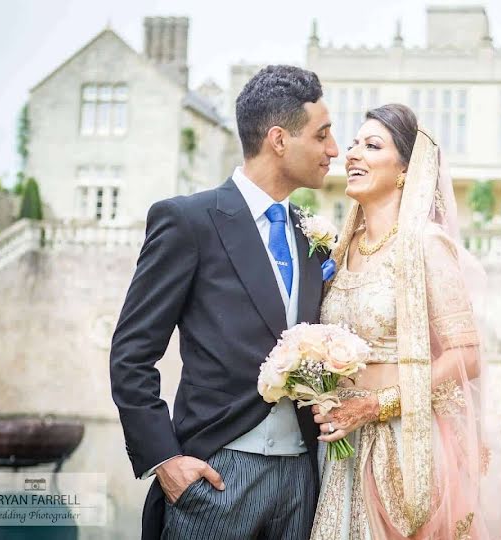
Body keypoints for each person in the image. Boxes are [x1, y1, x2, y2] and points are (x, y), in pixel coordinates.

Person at [109, 65, 338, 540]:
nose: (333, 149)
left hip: (301, 479)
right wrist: (165, 460)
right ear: (279, 139)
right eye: (322, 135)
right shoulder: (188, 221)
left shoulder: (310, 234)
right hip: (216, 477)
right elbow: (131, 354)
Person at [310, 104, 501, 539]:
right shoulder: (340, 252)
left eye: (372, 145)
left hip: (403, 444)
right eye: (355, 143)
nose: (353, 154)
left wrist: (379, 405)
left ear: (406, 169)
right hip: (341, 450)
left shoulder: (425, 245)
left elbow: (467, 355)